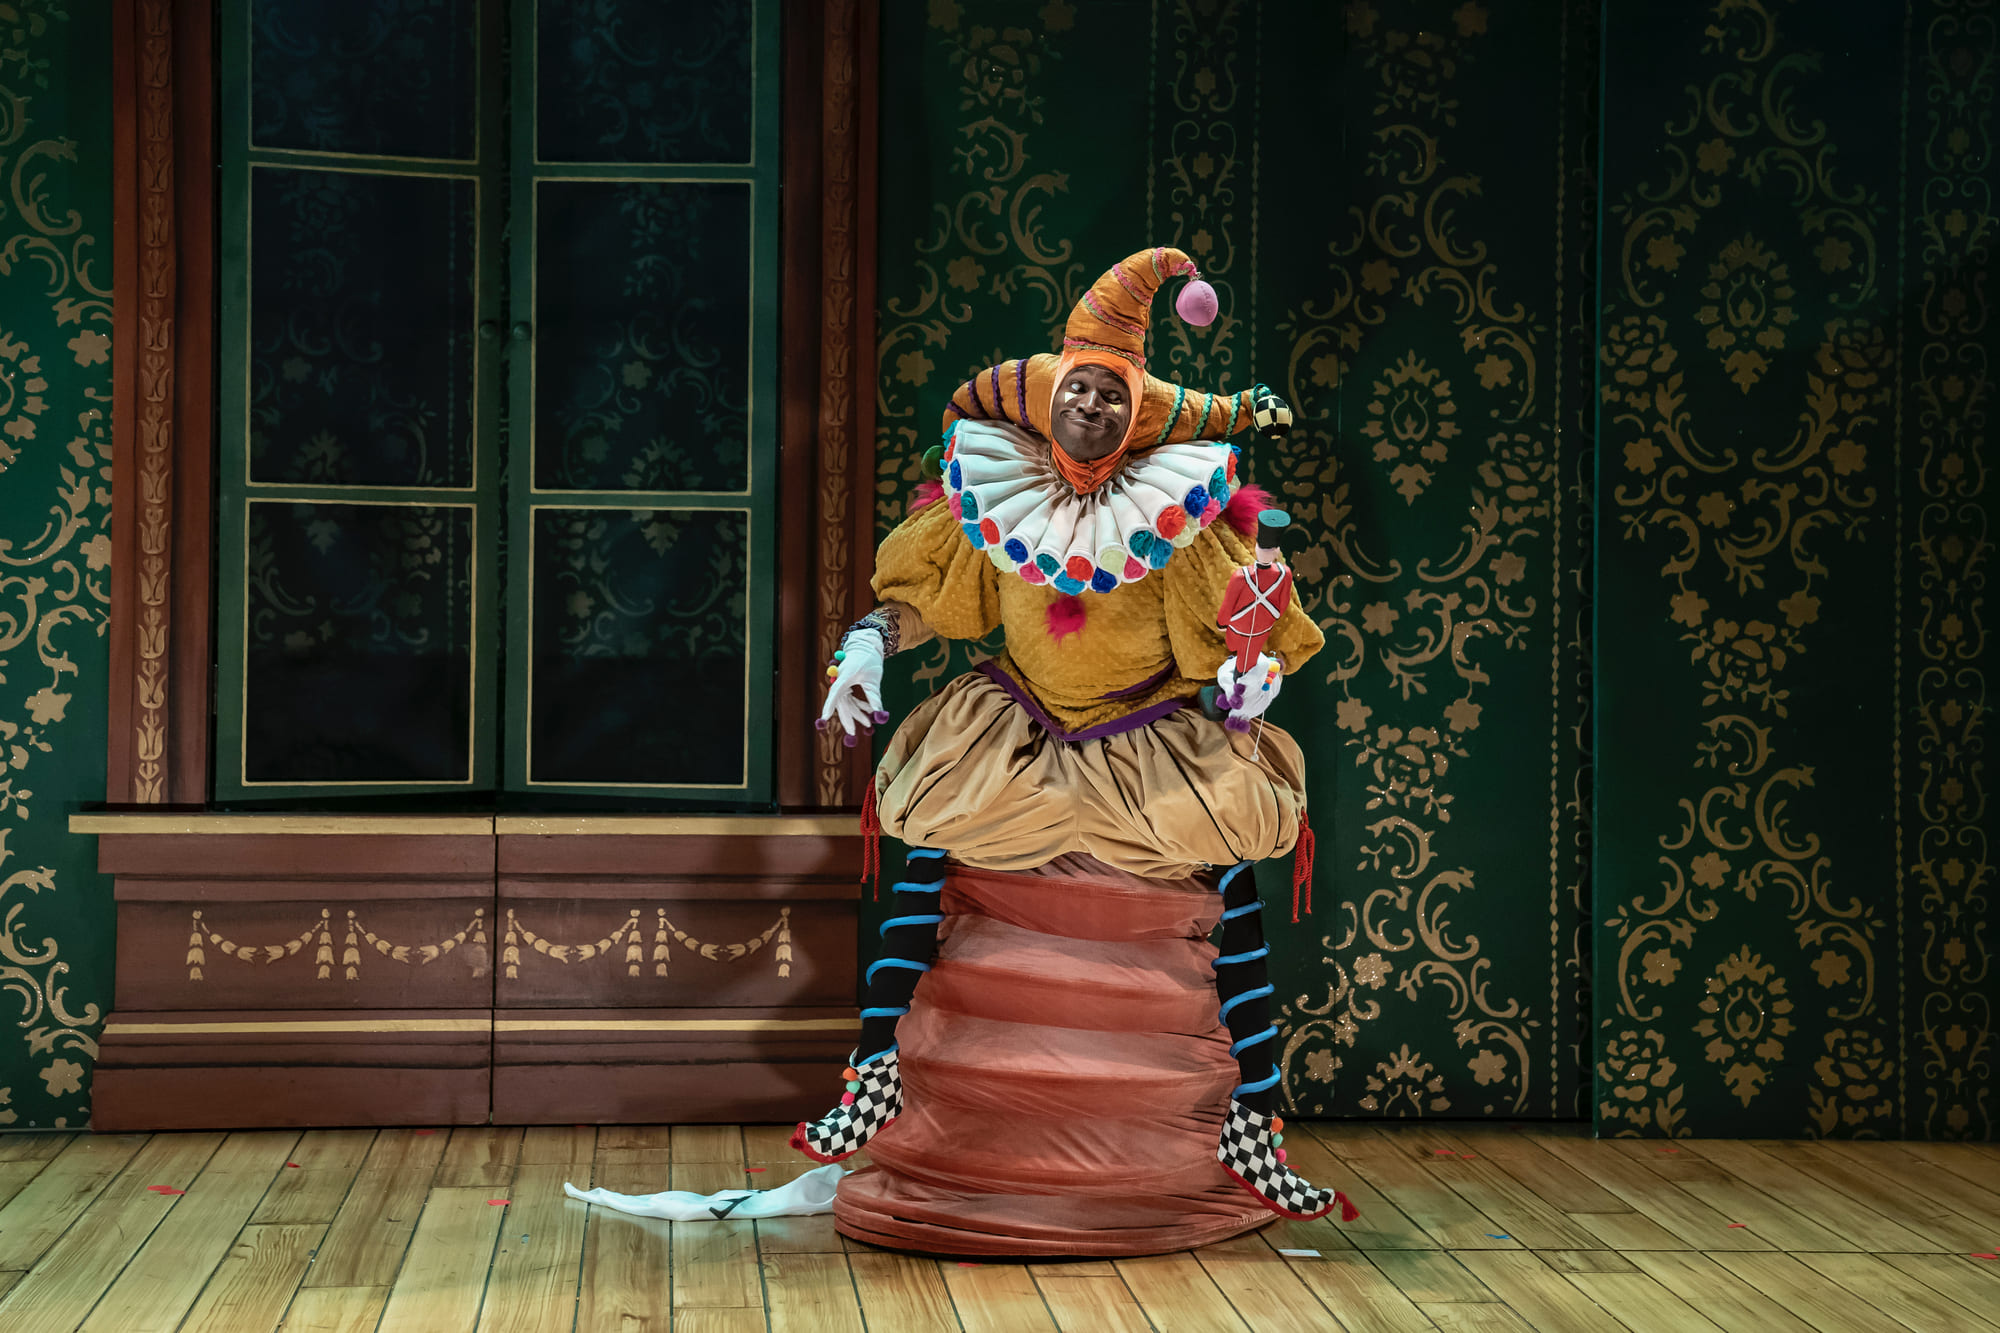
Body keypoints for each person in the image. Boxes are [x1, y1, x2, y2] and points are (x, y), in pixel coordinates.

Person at [797, 245, 1354, 1240]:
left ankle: (1252, 1118)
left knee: (1225, 870)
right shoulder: (993, 495)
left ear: (1136, 414)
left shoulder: (1176, 517)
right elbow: (928, 601)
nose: (1091, 407)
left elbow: (1234, 640)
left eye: (1111, 396)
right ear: (1050, 397)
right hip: (1021, 720)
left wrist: (1248, 681)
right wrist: (866, 647)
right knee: (932, 852)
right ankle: (875, 1075)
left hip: (1143, 732)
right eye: (1078, 390)